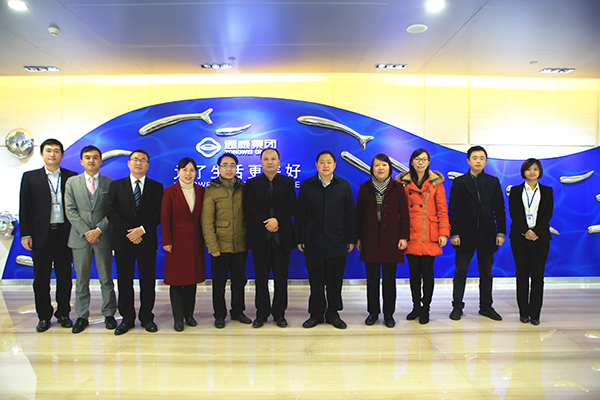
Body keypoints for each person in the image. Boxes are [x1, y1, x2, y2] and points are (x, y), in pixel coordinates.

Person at [19, 139, 77, 332]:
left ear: (62, 155)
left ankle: (63, 314)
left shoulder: (71, 177)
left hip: (64, 233)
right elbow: (24, 208)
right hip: (40, 234)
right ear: (42, 154)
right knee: (41, 279)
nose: (52, 154)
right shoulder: (30, 177)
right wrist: (25, 234)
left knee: (65, 277)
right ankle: (44, 316)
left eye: (56, 151)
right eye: (49, 151)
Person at [296, 150, 357, 330]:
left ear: (334, 165)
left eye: (329, 162)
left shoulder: (343, 185)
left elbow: (350, 214)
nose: (325, 165)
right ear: (316, 165)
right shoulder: (307, 185)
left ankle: (333, 313)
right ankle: (316, 314)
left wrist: (351, 238)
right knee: (316, 282)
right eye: (322, 162)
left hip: (337, 241)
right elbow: (300, 214)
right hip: (313, 241)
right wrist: (299, 238)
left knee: (334, 282)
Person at [106, 149, 164, 335]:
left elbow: (158, 213)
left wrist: (142, 230)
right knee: (124, 282)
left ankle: (147, 317)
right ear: (129, 163)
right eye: (135, 159)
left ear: (148, 165)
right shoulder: (116, 186)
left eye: (143, 160)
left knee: (147, 282)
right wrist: (131, 232)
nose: (139, 163)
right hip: (123, 241)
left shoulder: (157, 187)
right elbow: (111, 211)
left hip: (147, 241)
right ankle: (127, 319)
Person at [448, 145, 506, 321]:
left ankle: (486, 307)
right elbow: (453, 209)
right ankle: (457, 306)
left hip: (487, 234)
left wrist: (501, 232)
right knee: (461, 272)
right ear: (468, 161)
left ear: (486, 161)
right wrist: (454, 233)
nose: (478, 161)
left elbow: (499, 208)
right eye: (475, 158)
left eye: (481, 158)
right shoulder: (459, 182)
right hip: (465, 235)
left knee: (486, 272)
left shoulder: (493, 181)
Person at [65, 145, 117, 333]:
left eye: (95, 157)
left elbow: (112, 211)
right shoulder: (72, 182)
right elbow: (70, 210)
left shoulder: (110, 183)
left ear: (101, 161)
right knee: (81, 280)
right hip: (80, 238)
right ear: (81, 161)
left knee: (106, 279)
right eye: (87, 157)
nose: (91, 160)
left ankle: (109, 314)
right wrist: (87, 232)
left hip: (103, 237)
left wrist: (98, 230)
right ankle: (81, 316)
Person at [243, 149, 296, 328]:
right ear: (261, 162)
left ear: (279, 161)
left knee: (281, 278)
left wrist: (277, 220)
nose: (270, 162)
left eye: (273, 159)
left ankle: (279, 314)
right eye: (266, 159)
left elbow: (292, 205)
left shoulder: (288, 182)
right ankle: (262, 314)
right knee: (261, 278)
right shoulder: (252, 183)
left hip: (282, 238)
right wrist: (268, 222)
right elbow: (249, 207)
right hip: (261, 237)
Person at [397, 149, 450, 325]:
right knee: (413, 274)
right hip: (411, 233)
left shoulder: (436, 184)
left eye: (424, 159)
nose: (421, 162)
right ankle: (416, 307)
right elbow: (400, 211)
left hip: (430, 233)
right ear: (412, 162)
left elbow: (442, 209)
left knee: (428, 273)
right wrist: (401, 234)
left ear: (428, 162)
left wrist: (443, 232)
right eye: (417, 159)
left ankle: (426, 308)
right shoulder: (404, 184)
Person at [356, 154, 409, 328]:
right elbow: (359, 214)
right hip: (369, 238)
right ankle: (373, 313)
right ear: (372, 168)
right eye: (377, 165)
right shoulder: (365, 187)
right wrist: (358, 237)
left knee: (389, 280)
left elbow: (404, 214)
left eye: (384, 165)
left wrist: (403, 237)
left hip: (391, 239)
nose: (380, 168)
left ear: (389, 168)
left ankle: (388, 314)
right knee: (372, 280)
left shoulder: (397, 187)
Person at [201, 153, 251, 329]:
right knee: (219, 283)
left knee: (239, 281)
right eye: (225, 165)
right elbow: (206, 221)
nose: (229, 169)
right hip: (220, 246)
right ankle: (219, 315)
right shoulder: (211, 190)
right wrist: (212, 246)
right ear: (219, 168)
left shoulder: (244, 188)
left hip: (240, 244)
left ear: (236, 168)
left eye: (232, 165)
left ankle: (238, 312)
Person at [161, 157, 206, 332]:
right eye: (185, 170)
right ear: (178, 171)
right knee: (176, 283)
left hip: (195, 243)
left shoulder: (201, 191)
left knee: (191, 282)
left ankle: (189, 316)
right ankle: (178, 319)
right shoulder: (170, 191)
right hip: (176, 244)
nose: (188, 173)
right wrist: (166, 241)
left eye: (192, 170)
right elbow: (165, 218)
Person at [509, 159, 553, 326]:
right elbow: (514, 213)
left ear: (539, 171)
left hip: (540, 238)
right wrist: (525, 231)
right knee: (521, 275)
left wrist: (536, 232)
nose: (532, 172)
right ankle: (523, 313)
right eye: (529, 169)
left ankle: (535, 314)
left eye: (535, 169)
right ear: (524, 172)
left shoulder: (547, 191)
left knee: (537, 276)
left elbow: (548, 214)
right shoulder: (515, 190)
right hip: (519, 238)